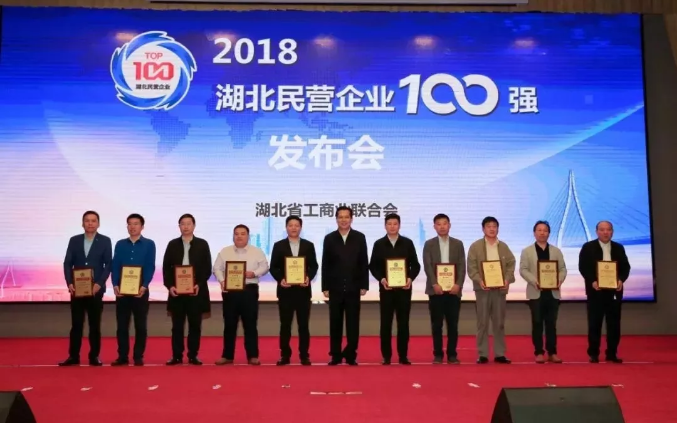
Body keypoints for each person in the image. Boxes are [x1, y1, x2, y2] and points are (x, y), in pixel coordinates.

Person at [59, 211, 112, 367]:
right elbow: (67, 263)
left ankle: (94, 356)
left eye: (93, 221)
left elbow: (108, 264)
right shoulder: (74, 240)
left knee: (94, 326)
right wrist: (69, 282)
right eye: (87, 220)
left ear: (98, 224)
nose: (90, 223)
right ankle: (73, 356)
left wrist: (99, 283)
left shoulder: (105, 241)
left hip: (96, 290)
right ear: (82, 223)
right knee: (76, 325)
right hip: (77, 290)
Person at [213, 224, 269, 365]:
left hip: (249, 291)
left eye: (243, 234)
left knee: (250, 324)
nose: (239, 236)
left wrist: (254, 273)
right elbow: (216, 268)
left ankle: (253, 356)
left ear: (248, 236)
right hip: (230, 292)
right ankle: (227, 356)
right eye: (236, 234)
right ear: (233, 236)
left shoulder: (256, 251)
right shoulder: (225, 252)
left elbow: (265, 267)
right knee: (229, 324)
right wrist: (222, 280)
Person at [369, 213, 421, 365]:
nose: (392, 227)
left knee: (403, 323)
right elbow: (373, 266)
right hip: (386, 290)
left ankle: (403, 356)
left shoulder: (407, 243)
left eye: (395, 224)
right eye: (389, 224)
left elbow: (415, 265)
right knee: (386, 323)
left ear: (399, 225)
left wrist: (410, 278)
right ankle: (386, 356)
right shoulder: (379, 244)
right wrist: (382, 279)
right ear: (385, 226)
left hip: (404, 290)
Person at [162, 213, 212, 366]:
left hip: (196, 292)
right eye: (182, 224)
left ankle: (193, 355)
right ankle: (176, 356)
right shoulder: (172, 244)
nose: (185, 226)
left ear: (194, 226)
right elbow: (166, 268)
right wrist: (170, 286)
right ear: (179, 226)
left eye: (188, 223)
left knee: (195, 326)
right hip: (177, 293)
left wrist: (199, 284)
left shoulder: (202, 244)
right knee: (177, 326)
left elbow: (207, 268)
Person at [322, 206, 369, 365]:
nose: (343, 220)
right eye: (340, 217)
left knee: (353, 323)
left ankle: (350, 354)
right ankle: (335, 355)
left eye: (346, 217)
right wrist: (325, 287)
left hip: (353, 287)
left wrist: (364, 284)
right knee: (335, 323)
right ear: (336, 219)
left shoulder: (359, 237)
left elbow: (363, 262)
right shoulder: (329, 238)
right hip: (335, 288)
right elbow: (325, 264)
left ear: (351, 219)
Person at [578, 220, 631, 363]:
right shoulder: (588, 247)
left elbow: (626, 267)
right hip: (595, 292)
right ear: (597, 232)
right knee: (594, 323)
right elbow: (583, 267)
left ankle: (612, 353)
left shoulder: (618, 248)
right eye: (602, 230)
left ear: (612, 232)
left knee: (614, 324)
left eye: (608, 229)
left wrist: (621, 280)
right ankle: (593, 353)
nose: (605, 232)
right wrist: (592, 281)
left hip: (614, 292)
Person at [269, 216, 319, 366]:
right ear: (286, 227)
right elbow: (274, 267)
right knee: (285, 325)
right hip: (286, 291)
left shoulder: (308, 245)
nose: (293, 228)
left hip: (303, 292)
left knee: (303, 326)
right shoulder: (279, 245)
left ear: (300, 227)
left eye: (296, 225)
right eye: (290, 225)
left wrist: (308, 277)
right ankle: (285, 355)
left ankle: (304, 355)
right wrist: (281, 279)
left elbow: (314, 266)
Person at [467, 216, 515, 364]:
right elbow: (471, 267)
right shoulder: (475, 246)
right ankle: (483, 354)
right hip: (483, 290)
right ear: (483, 229)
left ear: (498, 229)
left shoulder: (503, 246)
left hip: (499, 290)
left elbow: (511, 264)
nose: (492, 229)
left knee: (499, 323)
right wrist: (479, 280)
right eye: (489, 226)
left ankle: (500, 353)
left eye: (494, 226)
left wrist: (507, 279)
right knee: (482, 323)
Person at [110, 213, 156, 366]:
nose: (132, 227)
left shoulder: (149, 244)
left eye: (136, 224)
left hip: (140, 291)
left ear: (142, 227)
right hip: (122, 292)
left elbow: (150, 266)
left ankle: (138, 356)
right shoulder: (120, 244)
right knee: (122, 326)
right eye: (130, 224)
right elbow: (115, 265)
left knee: (140, 325)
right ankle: (122, 356)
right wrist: (115, 284)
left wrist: (144, 285)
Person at [519, 220, 567, 364]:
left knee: (551, 324)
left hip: (553, 293)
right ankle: (539, 352)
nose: (542, 233)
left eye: (545, 230)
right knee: (537, 323)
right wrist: (535, 281)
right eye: (539, 230)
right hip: (536, 291)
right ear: (534, 233)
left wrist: (559, 280)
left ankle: (552, 352)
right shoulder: (527, 251)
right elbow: (523, 270)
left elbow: (562, 269)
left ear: (549, 233)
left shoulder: (556, 251)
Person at [422, 213, 466, 364]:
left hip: (454, 290)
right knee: (437, 325)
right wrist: (434, 284)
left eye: (444, 223)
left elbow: (462, 266)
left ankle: (452, 354)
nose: (442, 227)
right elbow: (427, 266)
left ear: (449, 225)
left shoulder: (458, 244)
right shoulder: (429, 244)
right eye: (439, 224)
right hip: (436, 291)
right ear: (434, 227)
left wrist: (458, 284)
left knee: (453, 325)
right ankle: (438, 354)